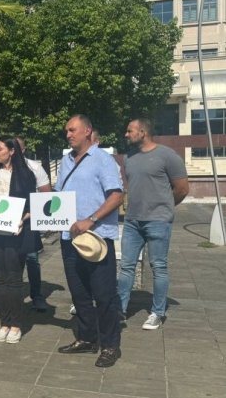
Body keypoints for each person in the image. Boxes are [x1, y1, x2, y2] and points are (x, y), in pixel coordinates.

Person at [56, 114, 124, 368]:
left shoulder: (103, 160)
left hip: (96, 238)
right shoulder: (65, 161)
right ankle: (87, 337)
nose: (68, 134)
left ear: (87, 131)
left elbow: (116, 196)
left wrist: (90, 220)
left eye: (72, 130)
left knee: (104, 295)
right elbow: (59, 196)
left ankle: (110, 345)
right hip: (68, 237)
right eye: (66, 131)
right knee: (79, 293)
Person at [118, 118, 189, 330]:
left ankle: (157, 312)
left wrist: (164, 208)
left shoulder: (167, 155)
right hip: (132, 221)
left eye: (129, 131)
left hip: (158, 221)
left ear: (142, 132)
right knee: (126, 266)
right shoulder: (129, 157)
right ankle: (119, 310)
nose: (126, 134)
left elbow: (182, 188)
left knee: (158, 267)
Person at [0, 137, 37, 344]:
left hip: (16, 233)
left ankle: (16, 324)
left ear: (12, 151)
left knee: (14, 279)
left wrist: (22, 219)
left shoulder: (26, 175)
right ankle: (4, 323)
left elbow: (33, 204)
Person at [16, 136, 51, 312]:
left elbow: (47, 196)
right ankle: (10, 297)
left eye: (16, 147)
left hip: (29, 220)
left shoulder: (35, 168)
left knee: (31, 258)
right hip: (9, 221)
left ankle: (36, 296)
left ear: (23, 149)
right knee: (11, 260)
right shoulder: (1, 169)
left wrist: (31, 213)